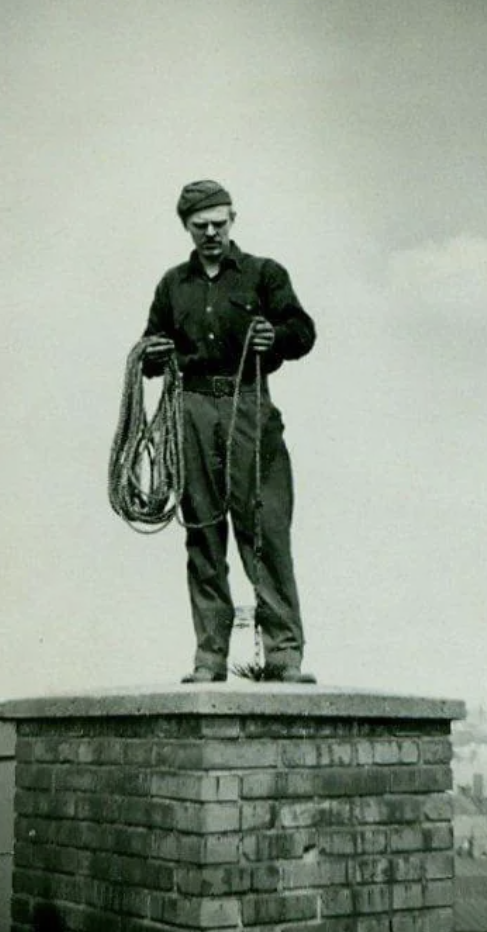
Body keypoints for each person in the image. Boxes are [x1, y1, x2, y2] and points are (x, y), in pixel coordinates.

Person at [142, 180, 316, 683]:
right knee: (202, 533)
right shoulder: (172, 284)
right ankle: (209, 657)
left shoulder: (265, 274)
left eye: (219, 222)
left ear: (233, 219)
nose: (212, 232)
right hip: (190, 408)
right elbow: (152, 346)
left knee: (266, 530)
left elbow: (303, 331)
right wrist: (154, 353)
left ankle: (284, 654)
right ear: (187, 228)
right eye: (201, 226)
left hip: (249, 407)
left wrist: (276, 336)